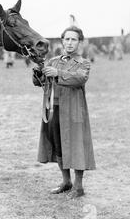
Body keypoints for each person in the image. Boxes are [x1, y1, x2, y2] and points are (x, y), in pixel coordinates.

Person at [32, 26, 95, 198]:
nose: (69, 43)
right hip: (54, 108)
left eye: (73, 39)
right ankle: (66, 181)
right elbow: (40, 82)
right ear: (62, 41)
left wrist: (58, 72)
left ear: (80, 42)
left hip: (74, 110)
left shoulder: (84, 63)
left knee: (76, 146)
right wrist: (38, 72)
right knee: (58, 145)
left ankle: (79, 186)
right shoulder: (52, 61)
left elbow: (80, 78)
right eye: (67, 39)